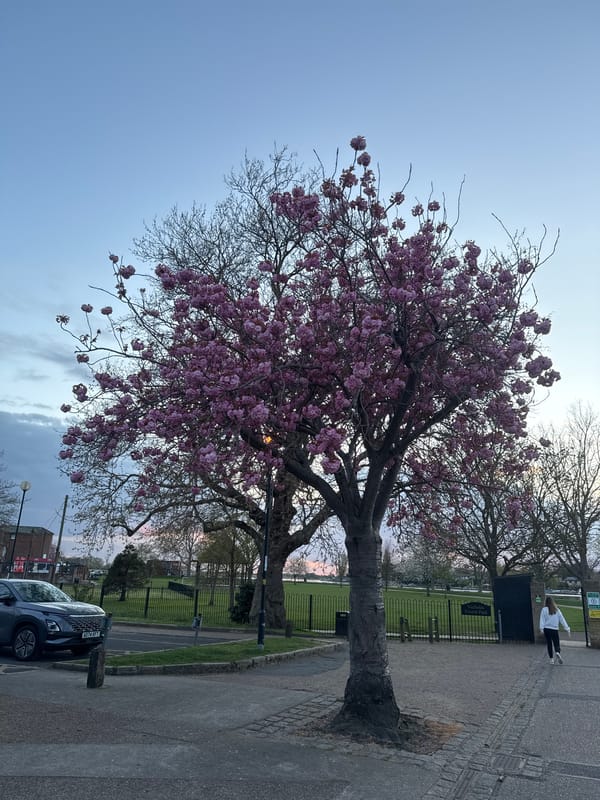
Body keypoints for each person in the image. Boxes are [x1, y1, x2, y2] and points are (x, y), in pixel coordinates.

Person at [539, 596, 570, 664]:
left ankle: (551, 659)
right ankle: (557, 652)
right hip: (554, 629)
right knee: (556, 642)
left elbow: (542, 620)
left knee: (549, 644)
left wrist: (541, 629)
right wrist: (567, 628)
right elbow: (562, 619)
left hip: (546, 629)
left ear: (546, 602)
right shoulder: (557, 610)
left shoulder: (544, 609)